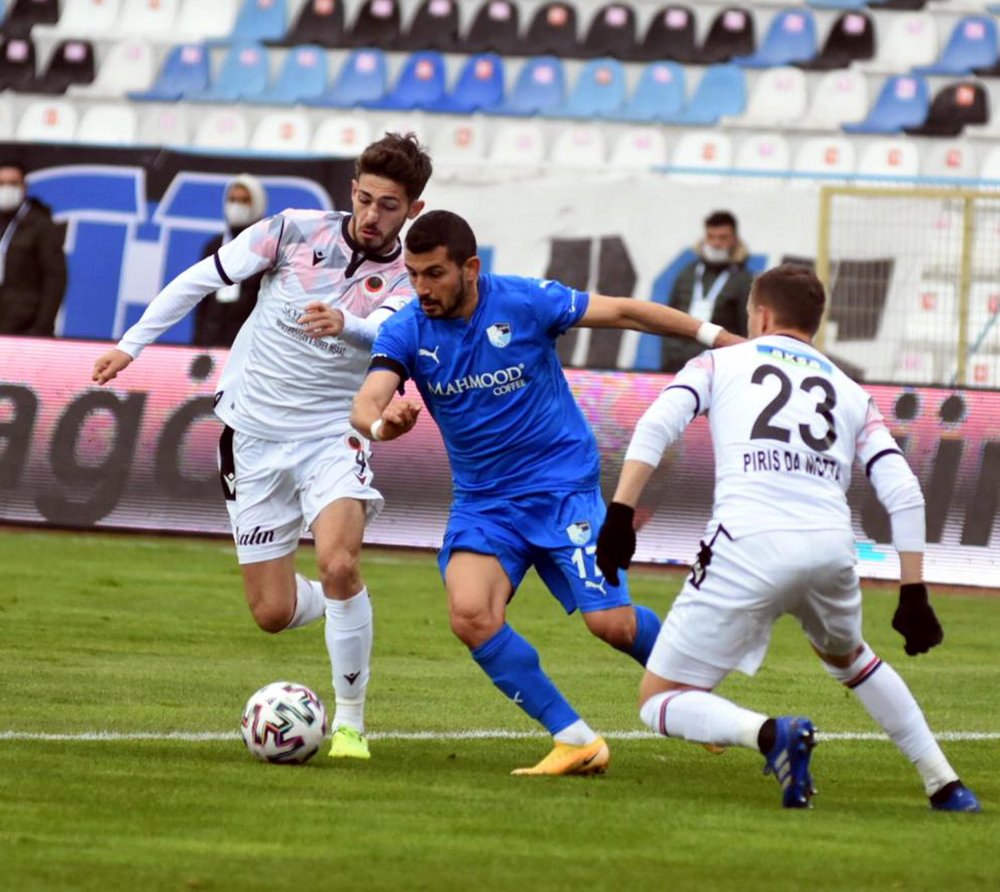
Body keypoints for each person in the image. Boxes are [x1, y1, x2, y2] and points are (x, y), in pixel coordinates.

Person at [350, 210, 743, 776]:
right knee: (469, 614)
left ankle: (692, 691)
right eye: (412, 274)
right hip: (484, 503)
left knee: (611, 625)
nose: (422, 289)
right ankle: (575, 737)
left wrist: (724, 342)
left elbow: (628, 312)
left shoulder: (527, 301)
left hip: (562, 489)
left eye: (434, 274)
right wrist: (383, 426)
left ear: (471, 268)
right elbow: (366, 402)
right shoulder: (408, 329)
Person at [92, 133, 433, 761]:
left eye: (388, 205)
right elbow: (200, 278)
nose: (371, 215)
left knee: (338, 562)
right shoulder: (292, 232)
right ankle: (343, 605)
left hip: (333, 435)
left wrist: (352, 336)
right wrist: (131, 344)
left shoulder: (412, 277)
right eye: (364, 198)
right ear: (351, 190)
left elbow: (392, 336)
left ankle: (351, 724)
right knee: (272, 612)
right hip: (251, 437)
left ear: (411, 209)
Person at [596, 264, 980, 811]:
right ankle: (945, 783)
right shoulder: (851, 391)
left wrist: (620, 516)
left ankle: (772, 736)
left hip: (746, 542)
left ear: (761, 315)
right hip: (831, 548)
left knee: (659, 700)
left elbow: (657, 424)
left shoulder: (720, 362)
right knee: (853, 661)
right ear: (814, 323)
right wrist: (913, 592)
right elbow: (903, 490)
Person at [661, 210, 752, 373]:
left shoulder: (744, 280)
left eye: (723, 237)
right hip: (678, 366)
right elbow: (668, 318)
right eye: (711, 237)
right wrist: (669, 359)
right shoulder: (687, 274)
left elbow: (746, 330)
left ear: (734, 240)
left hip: (719, 367)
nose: (716, 243)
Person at [193, 174, 268, 348]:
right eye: (232, 199)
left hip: (246, 344)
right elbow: (202, 301)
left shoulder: (267, 247)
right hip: (209, 342)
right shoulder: (214, 246)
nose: (236, 206)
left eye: (244, 201)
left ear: (257, 203)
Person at [0, 162, 68, 337]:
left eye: (13, 183)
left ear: (24, 187)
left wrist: (42, 327)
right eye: (1, 183)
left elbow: (55, 278)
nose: (6, 188)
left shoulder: (41, 224)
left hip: (22, 323)